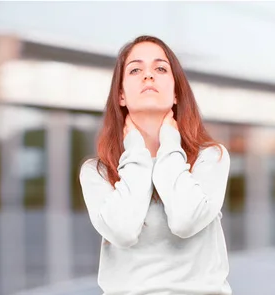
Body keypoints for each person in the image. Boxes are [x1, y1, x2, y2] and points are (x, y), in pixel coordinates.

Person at [79, 35, 232, 295]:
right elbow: (123, 231)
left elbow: (186, 220)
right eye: (136, 69)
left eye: (160, 68)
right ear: (121, 96)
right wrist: (136, 151)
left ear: (175, 93)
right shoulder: (98, 172)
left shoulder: (211, 158)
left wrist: (170, 144)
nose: (148, 76)